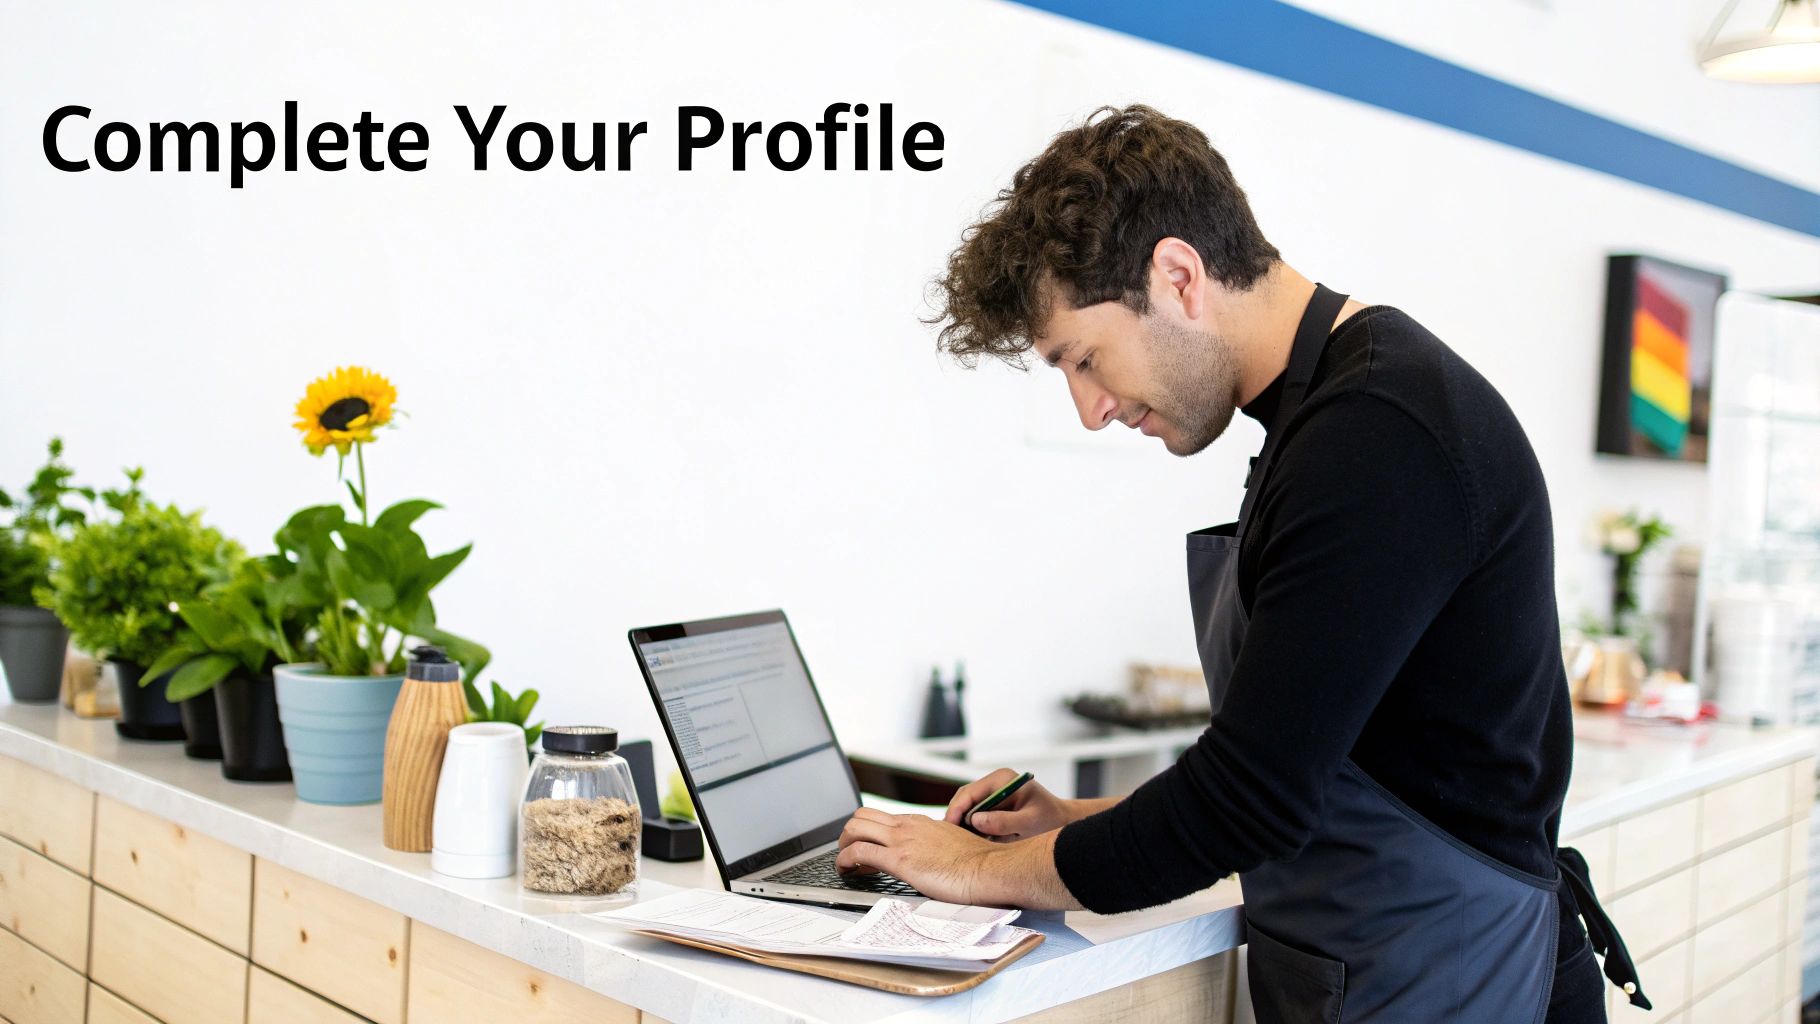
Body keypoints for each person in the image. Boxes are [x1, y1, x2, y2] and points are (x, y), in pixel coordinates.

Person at [834, 105, 1645, 1022]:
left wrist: (980, 870)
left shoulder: (1376, 436)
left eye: (1086, 359)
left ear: (1179, 276)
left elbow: (1248, 802)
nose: (1089, 409)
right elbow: (1299, 752)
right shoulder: (1333, 414)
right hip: (1391, 966)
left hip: (1461, 978)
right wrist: (1073, 824)